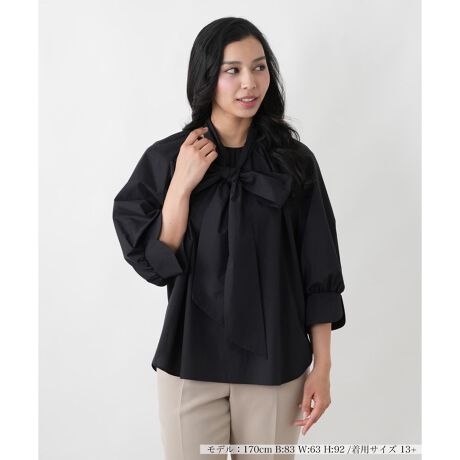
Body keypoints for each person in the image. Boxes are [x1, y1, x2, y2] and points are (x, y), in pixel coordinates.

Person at [112, 17, 346, 460]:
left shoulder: (294, 163)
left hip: (276, 366)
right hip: (190, 363)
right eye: (232, 70)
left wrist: (323, 368)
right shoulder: (167, 159)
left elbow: (320, 271)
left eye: (258, 67)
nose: (249, 83)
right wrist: (181, 186)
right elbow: (155, 263)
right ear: (206, 77)